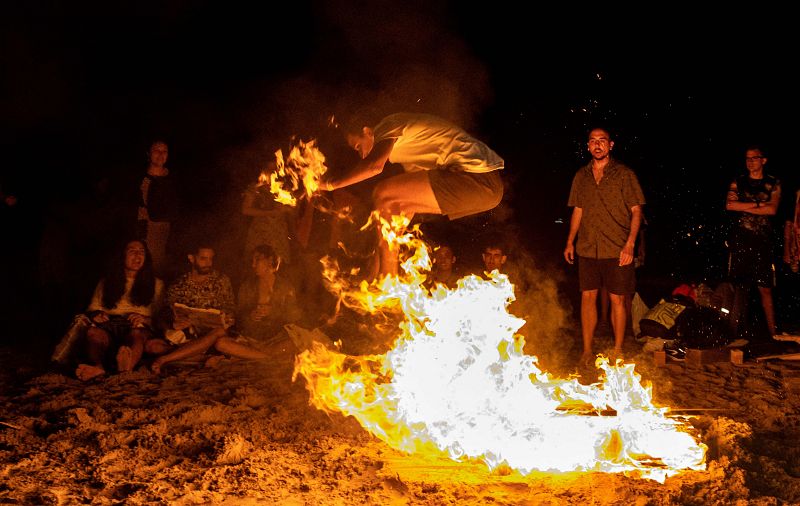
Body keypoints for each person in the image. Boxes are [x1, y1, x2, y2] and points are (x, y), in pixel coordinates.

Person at [323, 112, 504, 278]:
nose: (361, 154)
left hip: (477, 176)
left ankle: (388, 282)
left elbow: (373, 166)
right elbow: (402, 208)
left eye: (358, 146)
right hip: (485, 191)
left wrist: (331, 184)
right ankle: (382, 281)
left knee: (382, 192)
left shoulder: (388, 125)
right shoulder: (410, 154)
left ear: (367, 131)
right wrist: (387, 243)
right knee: (388, 206)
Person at [564, 127, 645, 364]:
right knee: (587, 297)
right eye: (592, 141)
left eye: (602, 141)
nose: (597, 145)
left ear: (611, 145)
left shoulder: (624, 174)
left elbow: (636, 211)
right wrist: (570, 241)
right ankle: (587, 351)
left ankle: (618, 349)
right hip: (588, 247)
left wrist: (630, 244)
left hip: (617, 247)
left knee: (617, 299)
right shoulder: (581, 176)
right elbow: (578, 210)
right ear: (588, 146)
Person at [149, 243, 269, 373]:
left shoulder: (221, 280)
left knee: (218, 332)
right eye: (203, 258)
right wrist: (174, 323)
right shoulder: (179, 285)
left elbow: (231, 307)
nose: (208, 263)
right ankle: (204, 356)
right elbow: (165, 312)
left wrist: (228, 317)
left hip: (215, 333)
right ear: (191, 258)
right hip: (190, 334)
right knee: (152, 346)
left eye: (210, 259)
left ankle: (166, 359)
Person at [75, 239, 164, 381]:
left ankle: (126, 368)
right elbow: (92, 309)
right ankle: (98, 367)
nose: (137, 255)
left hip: (137, 326)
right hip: (111, 323)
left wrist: (145, 319)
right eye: (132, 251)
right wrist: (97, 315)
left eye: (141, 251)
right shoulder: (106, 282)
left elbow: (161, 318)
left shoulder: (157, 284)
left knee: (136, 334)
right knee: (93, 333)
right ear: (122, 256)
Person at [725, 145, 780, 338]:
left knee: (765, 288)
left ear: (763, 160)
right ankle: (736, 333)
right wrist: (758, 204)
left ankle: (773, 333)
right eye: (747, 158)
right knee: (740, 287)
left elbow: (772, 210)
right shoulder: (738, 182)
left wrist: (745, 206)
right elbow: (730, 205)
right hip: (741, 240)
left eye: (754, 158)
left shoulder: (773, 183)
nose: (750, 162)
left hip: (763, 241)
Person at [236, 244, 301, 343]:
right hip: (251, 337)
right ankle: (265, 356)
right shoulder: (247, 286)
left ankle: (258, 355)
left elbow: (293, 316)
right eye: (252, 261)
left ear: (270, 260)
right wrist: (250, 315)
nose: (253, 265)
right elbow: (239, 314)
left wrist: (273, 312)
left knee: (293, 343)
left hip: (277, 338)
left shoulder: (285, 287)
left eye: (257, 260)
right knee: (222, 344)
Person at [137, 140, 179, 278]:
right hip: (141, 230)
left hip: (163, 233)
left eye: (164, 151)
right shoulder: (139, 178)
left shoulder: (173, 180)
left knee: (157, 271)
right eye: (156, 150)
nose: (160, 154)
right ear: (148, 154)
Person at [241, 161, 294, 266]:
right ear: (264, 170)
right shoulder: (256, 187)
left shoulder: (284, 188)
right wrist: (270, 212)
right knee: (258, 265)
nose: (273, 172)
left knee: (278, 266)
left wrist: (287, 209)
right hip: (260, 234)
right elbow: (245, 210)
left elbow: (292, 208)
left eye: (275, 169)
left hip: (279, 234)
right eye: (270, 169)